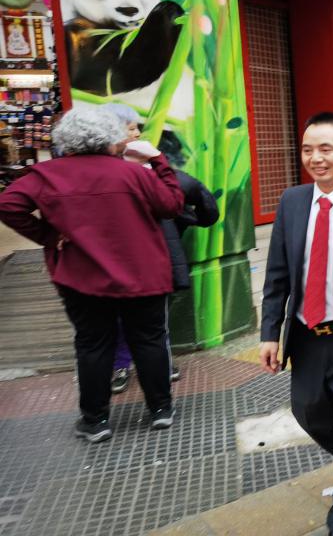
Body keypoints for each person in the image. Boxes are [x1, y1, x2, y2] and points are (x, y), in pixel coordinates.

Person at [0, 107, 183, 443]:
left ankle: (95, 420)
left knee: (92, 344)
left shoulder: (46, 175)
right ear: (111, 138)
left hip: (79, 276)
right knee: (149, 339)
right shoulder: (134, 175)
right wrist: (158, 161)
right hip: (143, 275)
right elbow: (172, 205)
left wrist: (48, 236)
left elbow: (8, 205)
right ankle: (161, 410)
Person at [258, 113, 333, 536]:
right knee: (307, 411)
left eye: (326, 149)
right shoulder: (292, 201)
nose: (316, 158)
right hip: (306, 335)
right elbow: (277, 275)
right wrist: (270, 332)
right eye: (308, 149)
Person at [105, 103, 216, 393]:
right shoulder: (108, 174)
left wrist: (187, 217)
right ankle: (125, 366)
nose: (138, 133)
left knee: (153, 322)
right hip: (118, 260)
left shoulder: (158, 170)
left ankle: (156, 366)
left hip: (152, 260)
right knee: (126, 319)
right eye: (131, 129)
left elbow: (197, 197)